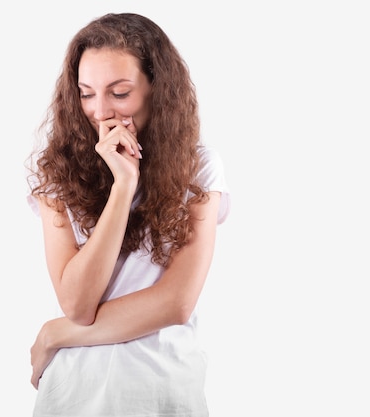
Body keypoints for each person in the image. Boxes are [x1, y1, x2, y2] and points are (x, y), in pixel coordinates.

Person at [25, 12, 231, 416]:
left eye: (119, 93)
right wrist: (123, 187)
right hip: (74, 394)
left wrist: (55, 333)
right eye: (86, 93)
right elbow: (78, 303)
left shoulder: (200, 169)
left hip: (162, 393)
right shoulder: (57, 172)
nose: (99, 111)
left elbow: (175, 302)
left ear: (157, 89)